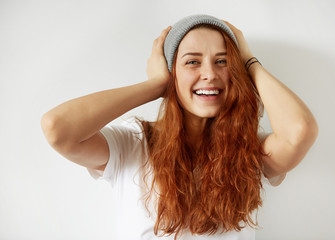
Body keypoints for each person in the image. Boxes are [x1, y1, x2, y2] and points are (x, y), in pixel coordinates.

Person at [41, 15, 318, 240]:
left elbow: (300, 131)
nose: (209, 73)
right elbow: (58, 129)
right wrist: (156, 86)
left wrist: (249, 62)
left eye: (222, 61)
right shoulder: (133, 142)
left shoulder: (250, 149)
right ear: (171, 73)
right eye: (192, 62)